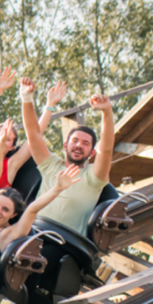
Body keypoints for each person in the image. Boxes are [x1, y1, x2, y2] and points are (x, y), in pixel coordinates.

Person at [0, 120, 83, 278]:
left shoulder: (9, 234)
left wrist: (57, 189)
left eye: (5, 209)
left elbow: (33, 208)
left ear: (13, 215)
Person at [20, 79, 115, 235]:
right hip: (32, 232)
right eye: (75, 141)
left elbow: (106, 150)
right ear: (65, 146)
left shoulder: (93, 177)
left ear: (92, 153)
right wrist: (27, 98)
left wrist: (107, 112)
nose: (78, 145)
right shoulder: (51, 165)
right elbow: (33, 134)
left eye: (85, 143)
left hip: (64, 242)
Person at [0, 69, 64, 192]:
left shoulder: (11, 165)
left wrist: (50, 105)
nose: (0, 139)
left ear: (12, 147)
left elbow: (34, 136)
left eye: (6, 139)